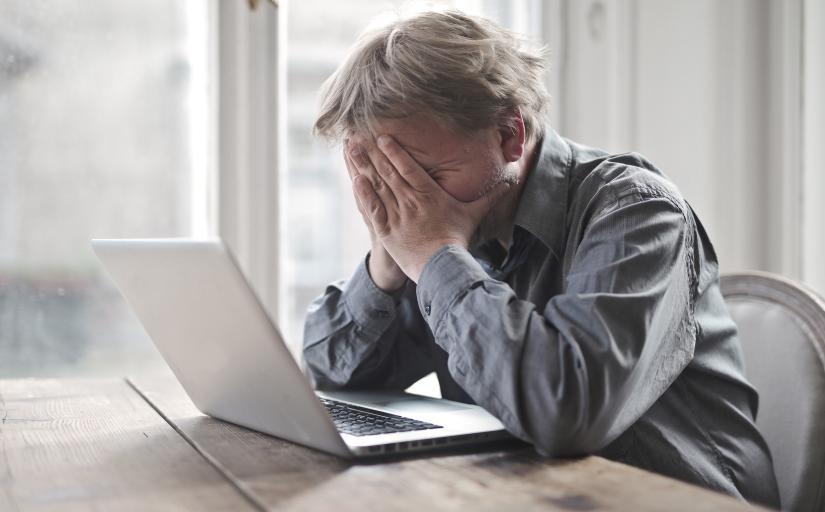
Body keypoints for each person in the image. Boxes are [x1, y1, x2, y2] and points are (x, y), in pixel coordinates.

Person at [302, 9, 780, 508]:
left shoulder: (638, 211)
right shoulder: (451, 219)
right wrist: (387, 266)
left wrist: (436, 256)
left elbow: (565, 412)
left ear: (510, 134)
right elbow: (331, 377)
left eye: (424, 173)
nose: (409, 200)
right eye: (387, 180)